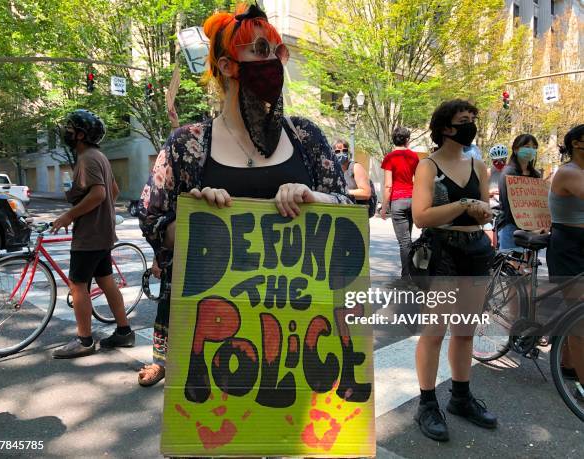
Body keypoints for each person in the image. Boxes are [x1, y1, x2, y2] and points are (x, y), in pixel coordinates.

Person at [137, 3, 351, 386]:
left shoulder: (306, 137)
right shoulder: (187, 145)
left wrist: (314, 198)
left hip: (295, 331)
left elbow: (348, 209)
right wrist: (195, 218)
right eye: (260, 50)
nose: (272, 62)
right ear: (226, 65)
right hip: (213, 330)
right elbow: (154, 223)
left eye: (275, 51)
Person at [411, 99, 496, 442]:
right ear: (446, 127)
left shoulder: (479, 167)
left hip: (476, 250)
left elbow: (487, 213)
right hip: (442, 252)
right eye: (464, 119)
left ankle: (461, 397)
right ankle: (427, 404)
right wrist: (463, 204)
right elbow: (420, 216)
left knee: (464, 331)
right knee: (434, 332)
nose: (471, 125)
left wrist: (481, 211)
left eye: (473, 119)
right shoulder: (428, 166)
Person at [51, 109, 134, 358]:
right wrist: (101, 215)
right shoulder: (100, 157)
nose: (66, 131)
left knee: (77, 285)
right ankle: (124, 331)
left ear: (80, 135)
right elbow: (114, 190)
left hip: (89, 236)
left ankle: (84, 340)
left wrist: (70, 215)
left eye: (70, 128)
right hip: (102, 234)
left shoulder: (87, 159)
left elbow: (100, 194)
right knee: (106, 280)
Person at [547, 124, 584, 392]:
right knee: (579, 316)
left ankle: (568, 364)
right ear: (576, 144)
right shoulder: (569, 172)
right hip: (568, 245)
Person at [380, 126, 419, 277]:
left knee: (404, 242)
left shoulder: (390, 157)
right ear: (407, 140)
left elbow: (388, 185)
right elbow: (418, 179)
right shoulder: (414, 156)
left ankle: (407, 276)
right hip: (413, 200)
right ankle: (410, 272)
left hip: (398, 201)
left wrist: (384, 207)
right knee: (408, 240)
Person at [496, 134, 541, 252]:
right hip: (511, 227)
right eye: (526, 146)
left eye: (534, 147)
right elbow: (508, 205)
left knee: (528, 268)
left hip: (533, 229)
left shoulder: (536, 174)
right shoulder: (508, 172)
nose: (531, 150)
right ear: (515, 149)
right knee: (512, 267)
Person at [333, 139, 373, 205]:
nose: (342, 153)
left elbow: (366, 193)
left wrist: (345, 192)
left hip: (357, 210)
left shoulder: (355, 167)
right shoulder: (333, 170)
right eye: (337, 151)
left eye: (344, 150)